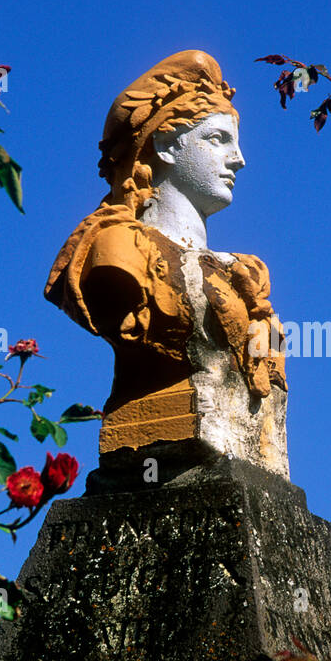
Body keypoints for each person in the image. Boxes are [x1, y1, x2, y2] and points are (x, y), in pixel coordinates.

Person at [45, 50, 288, 477]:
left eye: (237, 142)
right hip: (161, 445)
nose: (239, 159)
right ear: (165, 145)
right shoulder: (120, 250)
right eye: (219, 140)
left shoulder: (245, 271)